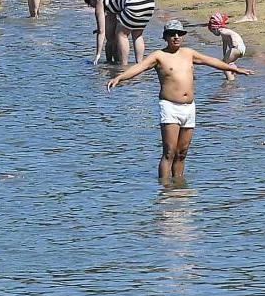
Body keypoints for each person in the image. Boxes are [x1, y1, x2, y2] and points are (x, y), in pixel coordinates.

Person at [106, 18, 252, 184]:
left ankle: (179, 188)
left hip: (189, 108)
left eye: (179, 34)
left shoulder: (189, 53)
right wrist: (120, 77)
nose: (176, 37)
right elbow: (139, 68)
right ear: (165, 37)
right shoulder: (159, 56)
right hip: (169, 107)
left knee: (182, 153)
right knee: (169, 152)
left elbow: (212, 62)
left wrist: (235, 69)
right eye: (171, 34)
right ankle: (166, 191)